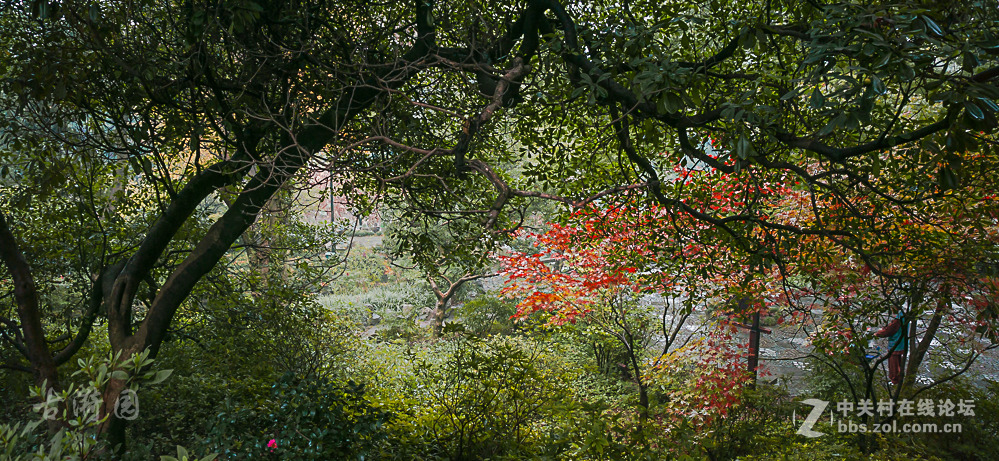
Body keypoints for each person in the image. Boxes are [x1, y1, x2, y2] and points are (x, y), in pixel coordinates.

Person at [874, 310, 908, 385]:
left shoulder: (898, 319)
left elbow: (890, 330)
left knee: (894, 365)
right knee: (899, 364)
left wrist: (877, 333)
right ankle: (899, 380)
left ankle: (895, 381)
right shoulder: (904, 314)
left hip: (896, 344)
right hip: (902, 343)